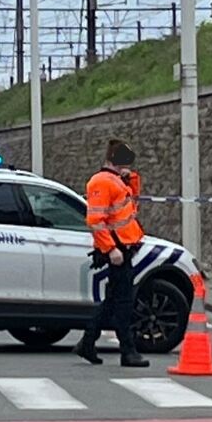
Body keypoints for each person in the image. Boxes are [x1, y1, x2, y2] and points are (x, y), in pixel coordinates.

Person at [74, 139, 149, 368]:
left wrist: (130, 178)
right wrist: (111, 249)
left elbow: (131, 205)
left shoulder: (116, 181)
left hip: (124, 248)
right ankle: (127, 351)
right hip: (117, 249)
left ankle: (88, 342)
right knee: (123, 302)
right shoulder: (101, 182)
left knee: (113, 301)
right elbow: (95, 220)